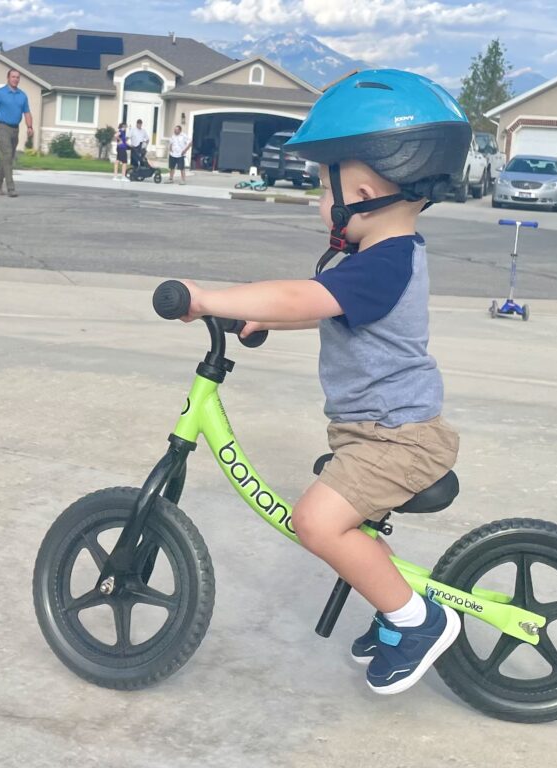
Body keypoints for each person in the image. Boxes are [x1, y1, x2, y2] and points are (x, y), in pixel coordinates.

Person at [175, 70, 470, 695]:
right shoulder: (381, 261)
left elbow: (301, 295)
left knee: (316, 522)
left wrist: (206, 298)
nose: (318, 200)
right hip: (377, 434)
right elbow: (326, 310)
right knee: (343, 525)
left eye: (320, 186)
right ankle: (397, 612)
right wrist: (264, 321)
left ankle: (418, 622)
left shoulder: (385, 262)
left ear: (361, 191)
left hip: (398, 441)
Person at [0, 68, 33, 198]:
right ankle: (11, 188)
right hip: (2, 127)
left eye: (17, 77)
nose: (15, 79)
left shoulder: (22, 95)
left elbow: (27, 112)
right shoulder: (0, 94)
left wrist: (29, 127)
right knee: (7, 154)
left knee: (8, 158)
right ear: (8, 78)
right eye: (13, 77)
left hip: (15, 128)